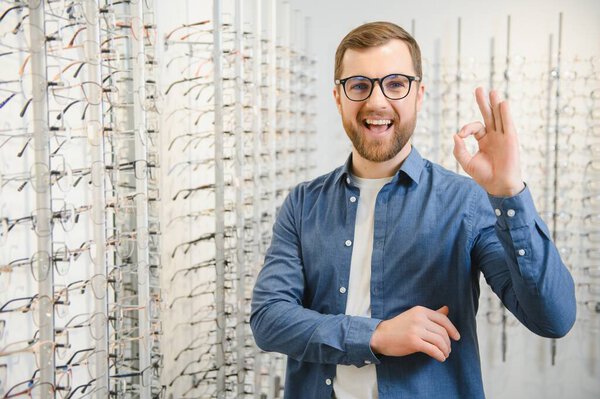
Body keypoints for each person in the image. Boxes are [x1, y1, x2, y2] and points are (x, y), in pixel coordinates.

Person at [250, 21, 576, 399]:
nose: (376, 102)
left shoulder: (466, 203)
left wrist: (508, 192)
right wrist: (376, 335)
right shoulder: (303, 203)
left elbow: (553, 318)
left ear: (419, 95)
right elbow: (269, 318)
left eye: (395, 84)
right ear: (338, 97)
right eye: (359, 85)